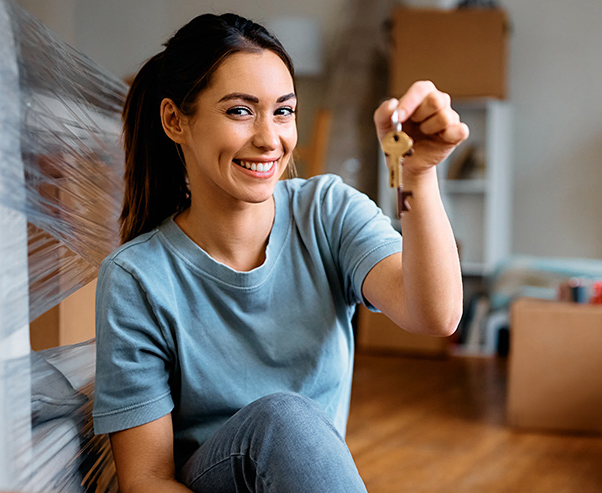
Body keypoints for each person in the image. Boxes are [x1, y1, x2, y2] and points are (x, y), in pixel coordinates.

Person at [92, 12, 468, 493]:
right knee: (282, 418)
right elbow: (145, 480)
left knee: (287, 420)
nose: (270, 139)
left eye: (283, 111)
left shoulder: (327, 212)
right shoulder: (136, 277)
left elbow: (435, 315)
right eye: (240, 111)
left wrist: (416, 175)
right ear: (175, 120)